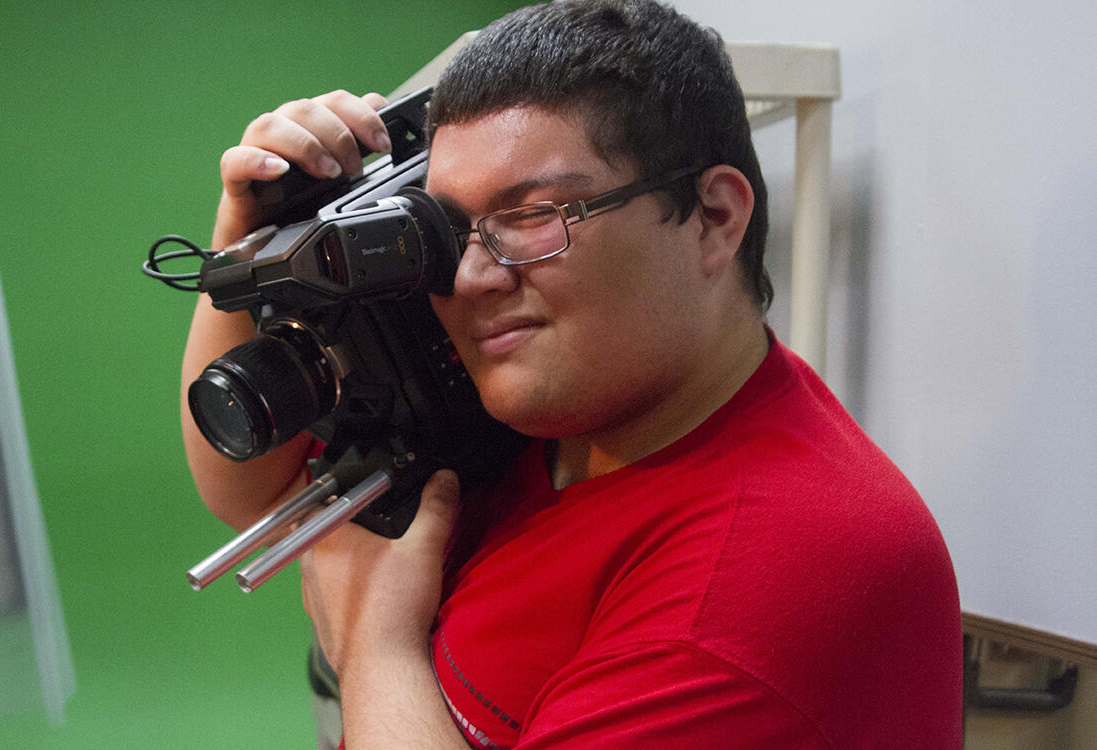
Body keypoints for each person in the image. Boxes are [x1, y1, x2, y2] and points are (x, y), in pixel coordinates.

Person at [181, 1, 963, 747]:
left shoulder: (765, 578)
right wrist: (245, 249)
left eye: (534, 216)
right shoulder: (555, 399)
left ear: (715, 218)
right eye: (451, 230)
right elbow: (251, 492)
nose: (472, 278)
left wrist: (375, 650)